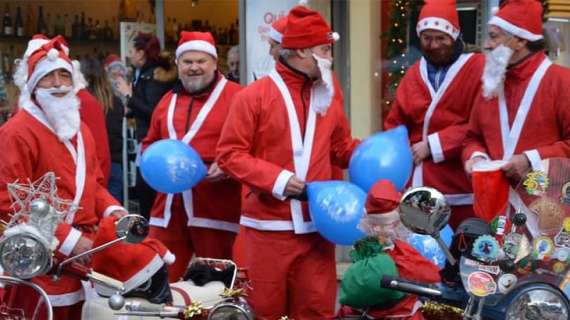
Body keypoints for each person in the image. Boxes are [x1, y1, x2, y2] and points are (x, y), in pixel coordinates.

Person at [216, 6, 359, 318]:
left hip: (318, 229)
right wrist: (278, 180)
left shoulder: (329, 90)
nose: (329, 56)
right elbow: (229, 155)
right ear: (302, 51)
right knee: (265, 311)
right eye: (324, 49)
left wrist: (372, 154)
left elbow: (340, 147)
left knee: (317, 310)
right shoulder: (252, 97)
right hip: (268, 230)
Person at [0, 34, 128, 319]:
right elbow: (11, 204)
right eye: (48, 77)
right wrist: (69, 239)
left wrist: (114, 209)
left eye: (64, 75)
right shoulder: (17, 132)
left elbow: (92, 184)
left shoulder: (79, 129)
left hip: (83, 259)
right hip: (40, 262)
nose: (58, 84)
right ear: (33, 84)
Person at [143, 31, 242, 282]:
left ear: (214, 62)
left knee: (218, 286)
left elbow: (255, 147)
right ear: (178, 64)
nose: (194, 67)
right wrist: (153, 165)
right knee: (157, 280)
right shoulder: (167, 100)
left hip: (216, 207)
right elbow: (149, 144)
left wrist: (230, 164)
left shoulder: (238, 97)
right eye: (188, 62)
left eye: (201, 61)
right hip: (168, 210)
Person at [463, 0, 570, 219]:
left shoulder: (562, 82)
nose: (487, 45)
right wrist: (476, 156)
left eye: (494, 36)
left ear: (520, 39)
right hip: (495, 211)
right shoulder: (490, 83)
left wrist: (530, 160)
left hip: (549, 216)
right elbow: (472, 138)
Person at [384, 0, 485, 229]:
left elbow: (481, 125)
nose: (433, 45)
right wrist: (400, 150)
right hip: (418, 188)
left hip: (460, 183)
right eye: (427, 38)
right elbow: (395, 123)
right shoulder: (413, 74)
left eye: (441, 38)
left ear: (455, 36)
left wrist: (433, 145)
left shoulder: (477, 68)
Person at [339, 180, 441, 320]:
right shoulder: (403, 253)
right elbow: (431, 275)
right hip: (403, 315)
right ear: (397, 222)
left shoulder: (363, 249)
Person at [115, 32, 177, 218]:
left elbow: (153, 112)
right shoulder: (141, 74)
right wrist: (130, 109)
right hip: (147, 139)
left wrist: (128, 96)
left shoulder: (154, 76)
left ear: (141, 53)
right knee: (144, 187)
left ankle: (151, 228)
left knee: (147, 188)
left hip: (155, 141)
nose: (130, 55)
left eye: (132, 51)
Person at [81, 58, 125, 203]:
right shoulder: (115, 102)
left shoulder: (80, 103)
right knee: (113, 212)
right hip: (114, 161)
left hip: (90, 165)